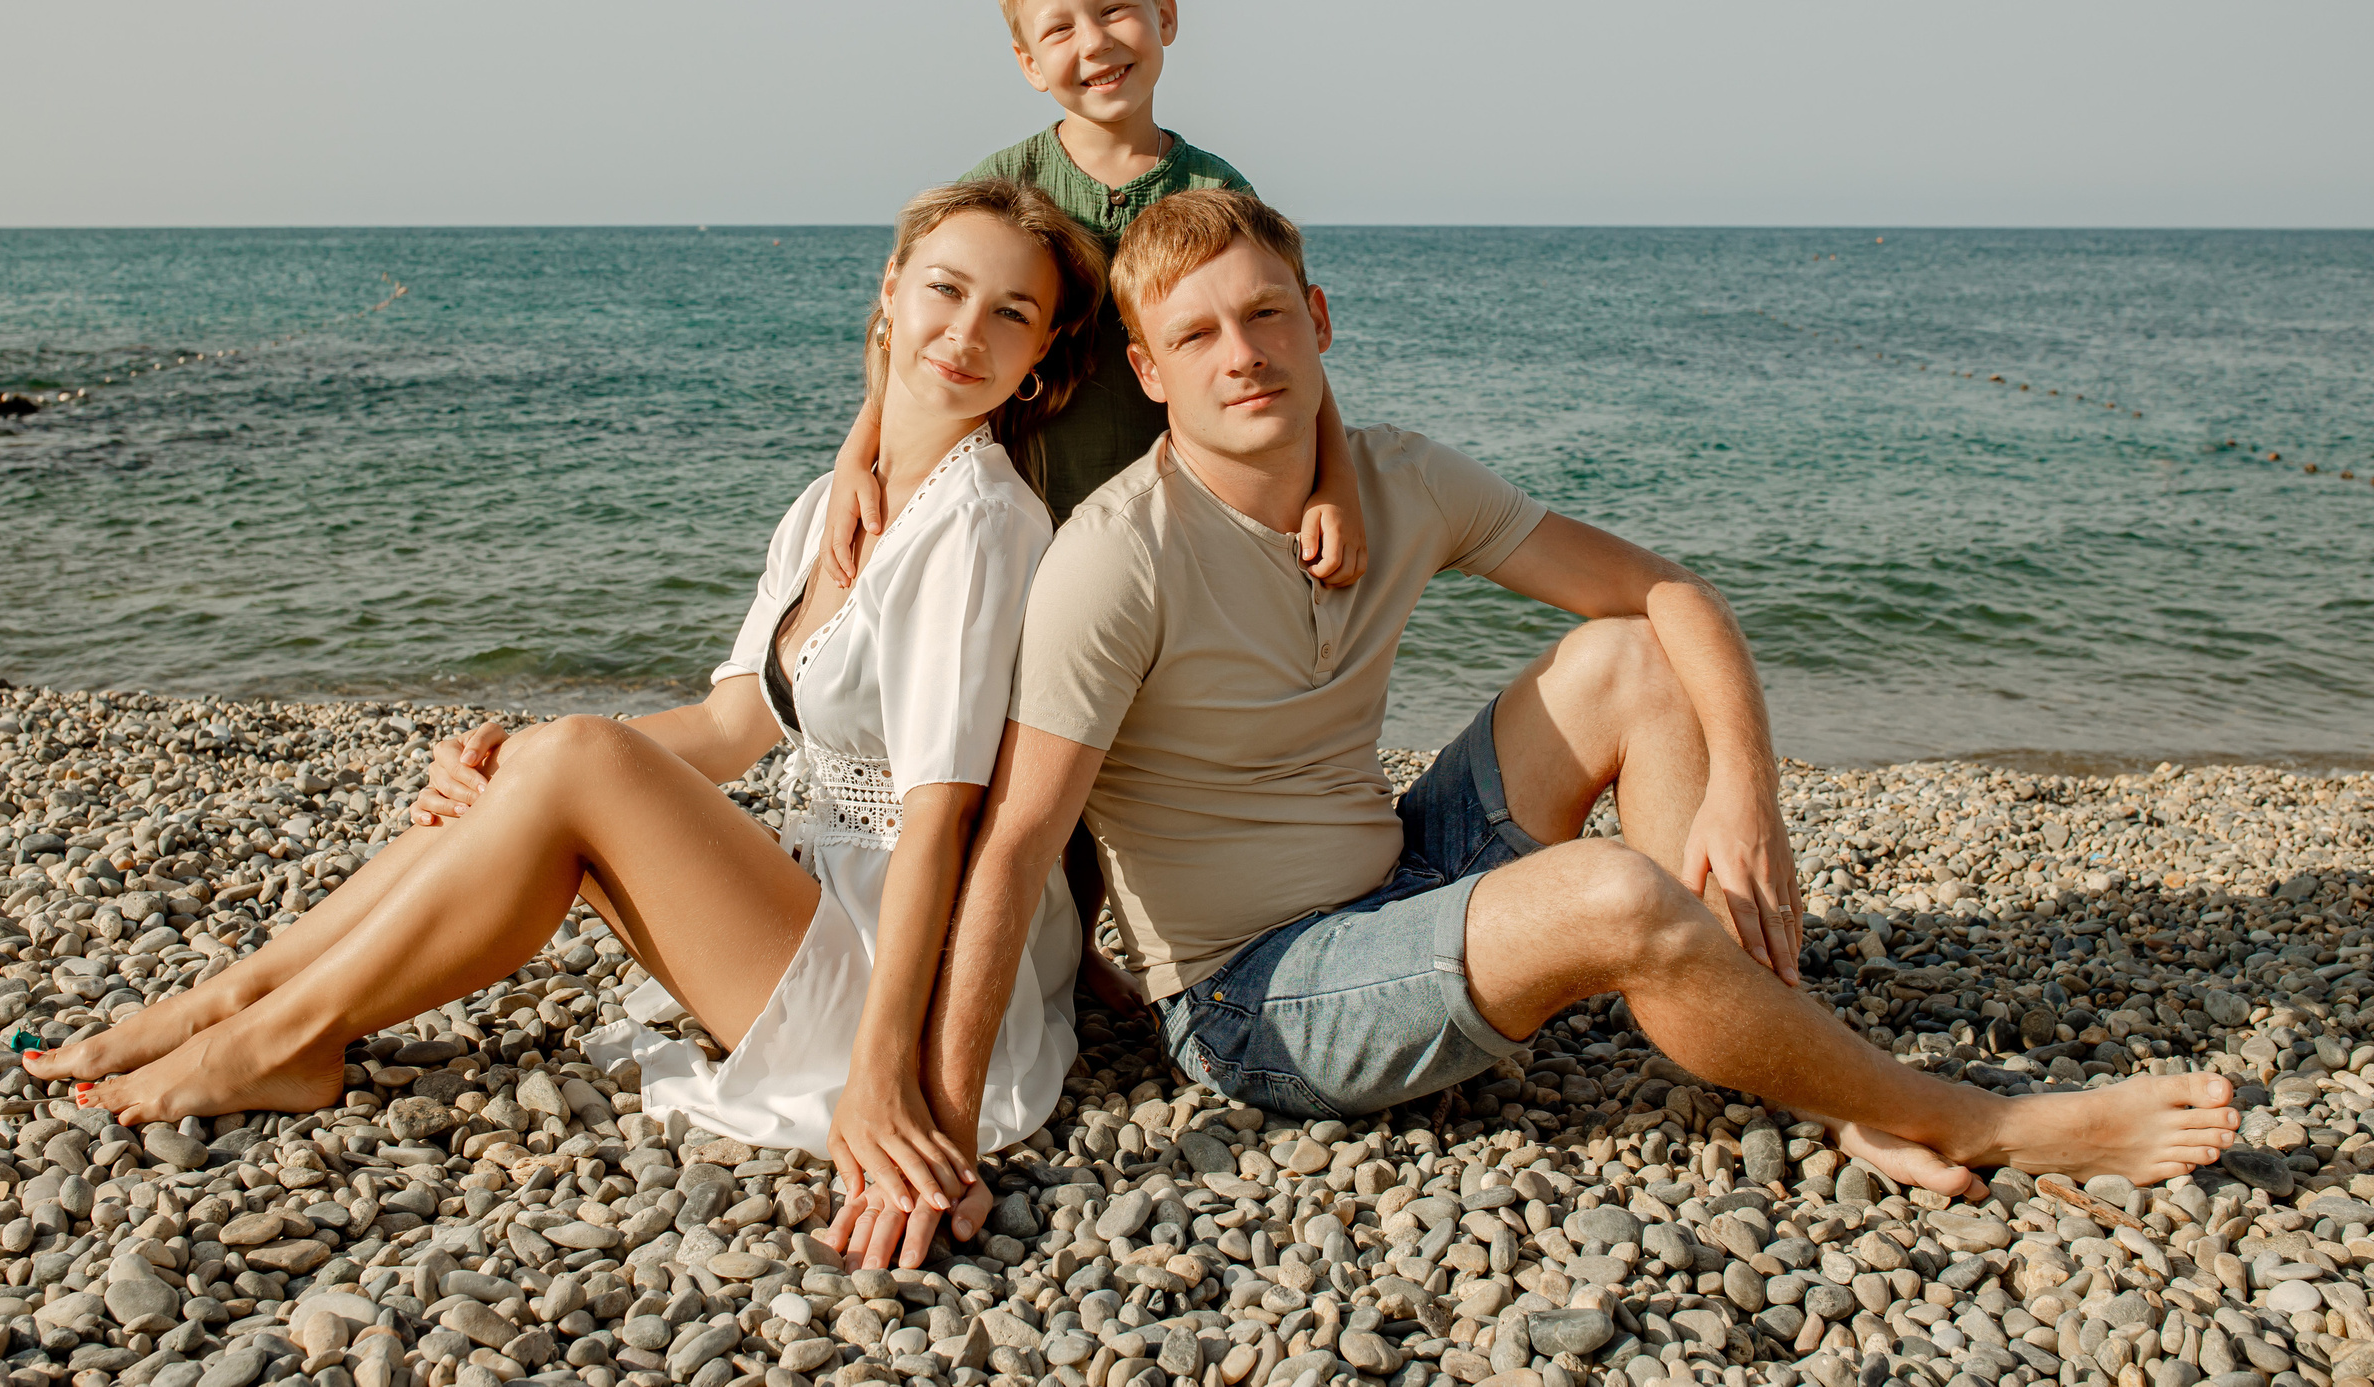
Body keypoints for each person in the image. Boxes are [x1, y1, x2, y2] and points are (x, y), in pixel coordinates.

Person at [918, 188, 2240, 1236]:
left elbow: (1666, 589)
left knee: (1625, 656)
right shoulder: (1119, 556)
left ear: (1318, 316)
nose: (1243, 354)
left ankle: (1779, 1045)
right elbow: (1022, 837)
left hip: (1401, 873)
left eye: (1265, 314)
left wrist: (1747, 792)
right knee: (1613, 892)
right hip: (1257, 998)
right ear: (1147, 371)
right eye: (1197, 334)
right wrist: (941, 1119)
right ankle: (1972, 1117)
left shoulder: (1403, 480)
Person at [25, 177, 1110, 1270]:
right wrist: (516, 764)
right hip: (826, 901)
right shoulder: (838, 502)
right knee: (544, 758)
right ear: (890, 291)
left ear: (1043, 350)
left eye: (1010, 313)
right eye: (945, 289)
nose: (966, 332)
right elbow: (735, 723)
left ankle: (278, 1036)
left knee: (579, 753)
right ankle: (237, 999)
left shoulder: (977, 522)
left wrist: (885, 1069)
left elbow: (943, 823)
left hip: (902, 980)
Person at [820, 0, 1371, 1009]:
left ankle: (1134, 967)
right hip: (1023, 517)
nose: (1094, 46)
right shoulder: (1011, 184)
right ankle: (1040, 981)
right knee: (1018, 759)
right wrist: (857, 453)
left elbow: (1280, 343)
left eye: (1114, 12)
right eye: (1059, 32)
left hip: (1164, 532)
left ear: (1164, 15)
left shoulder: (1215, 192)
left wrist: (1339, 481)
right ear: (1026, 60)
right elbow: (909, 334)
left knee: (1126, 756)